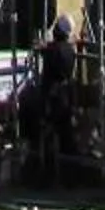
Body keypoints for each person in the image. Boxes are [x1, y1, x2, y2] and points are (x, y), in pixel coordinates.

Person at [19, 12, 79, 171]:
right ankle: (67, 171)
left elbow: (44, 49)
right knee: (65, 136)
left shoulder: (54, 50)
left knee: (32, 119)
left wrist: (40, 46)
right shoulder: (70, 50)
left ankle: (37, 164)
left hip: (51, 100)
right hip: (65, 99)